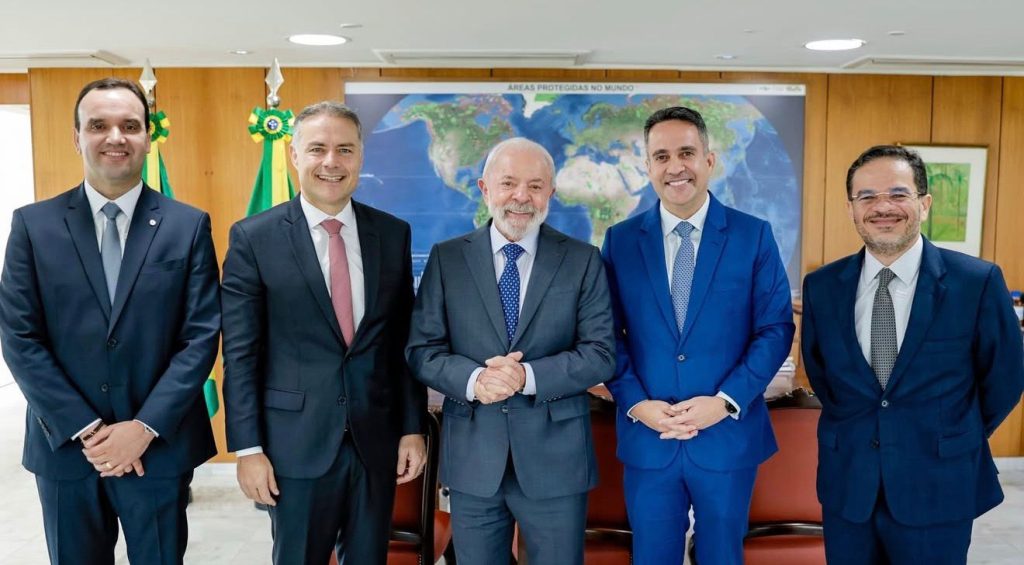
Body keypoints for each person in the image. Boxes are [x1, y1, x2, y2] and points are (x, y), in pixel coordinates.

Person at [0, 77, 221, 564]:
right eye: (98, 125)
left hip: (158, 448)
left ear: (148, 137)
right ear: (77, 137)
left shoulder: (188, 225)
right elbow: (19, 337)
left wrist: (143, 427)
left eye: (130, 125)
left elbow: (201, 336)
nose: (115, 137)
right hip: (65, 449)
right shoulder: (33, 225)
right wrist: (86, 428)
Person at [221, 101, 427, 565]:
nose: (331, 162)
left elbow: (401, 342)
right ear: (295, 155)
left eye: (345, 150)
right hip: (295, 446)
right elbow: (240, 354)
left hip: (375, 443)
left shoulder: (392, 234)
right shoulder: (254, 238)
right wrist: (248, 448)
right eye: (317, 149)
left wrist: (412, 428)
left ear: (360, 156)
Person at [801, 145, 1024, 564]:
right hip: (849, 485)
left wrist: (949, 432)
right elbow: (822, 375)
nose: (882, 207)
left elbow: (1006, 377)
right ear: (851, 208)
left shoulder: (976, 282)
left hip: (938, 483)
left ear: (924, 203)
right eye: (867, 196)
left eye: (898, 194)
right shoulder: (822, 286)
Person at [406, 137, 615, 565]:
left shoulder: (583, 259)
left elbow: (600, 353)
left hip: (556, 461)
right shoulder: (448, 259)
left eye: (535, 186)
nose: (522, 196)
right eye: (508, 183)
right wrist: (476, 380)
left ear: (550, 193)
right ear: (485, 189)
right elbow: (422, 350)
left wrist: (526, 376)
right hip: (473, 460)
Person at [601, 106, 795, 565]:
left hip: (726, 436)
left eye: (686, 153)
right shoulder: (620, 241)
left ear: (709, 160)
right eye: (662, 156)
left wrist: (725, 402)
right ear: (647, 167)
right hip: (650, 437)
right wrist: (637, 404)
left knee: (722, 556)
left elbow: (774, 329)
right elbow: (606, 335)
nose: (676, 167)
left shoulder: (753, 236)